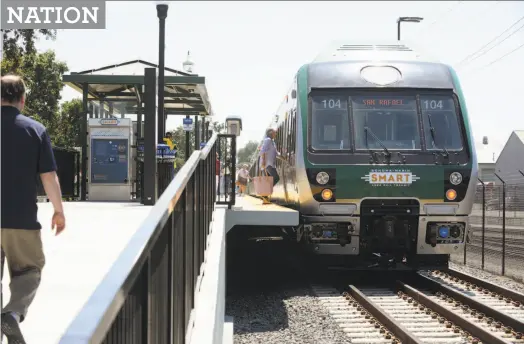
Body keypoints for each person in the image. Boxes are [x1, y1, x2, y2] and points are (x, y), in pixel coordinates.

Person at [1, 75, 66, 344]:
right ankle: (13, 313)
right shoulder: (35, 130)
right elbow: (48, 176)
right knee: (29, 270)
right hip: (21, 219)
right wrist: (58, 210)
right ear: (23, 100)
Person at [259, 128, 283, 204]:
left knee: (269, 181)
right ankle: (264, 193)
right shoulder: (268, 140)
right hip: (267, 164)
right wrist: (263, 162)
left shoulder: (272, 142)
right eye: (274, 132)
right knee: (276, 178)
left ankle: (265, 199)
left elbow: (276, 153)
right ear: (270, 133)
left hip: (270, 164)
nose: (276, 133)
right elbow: (263, 151)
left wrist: (283, 157)